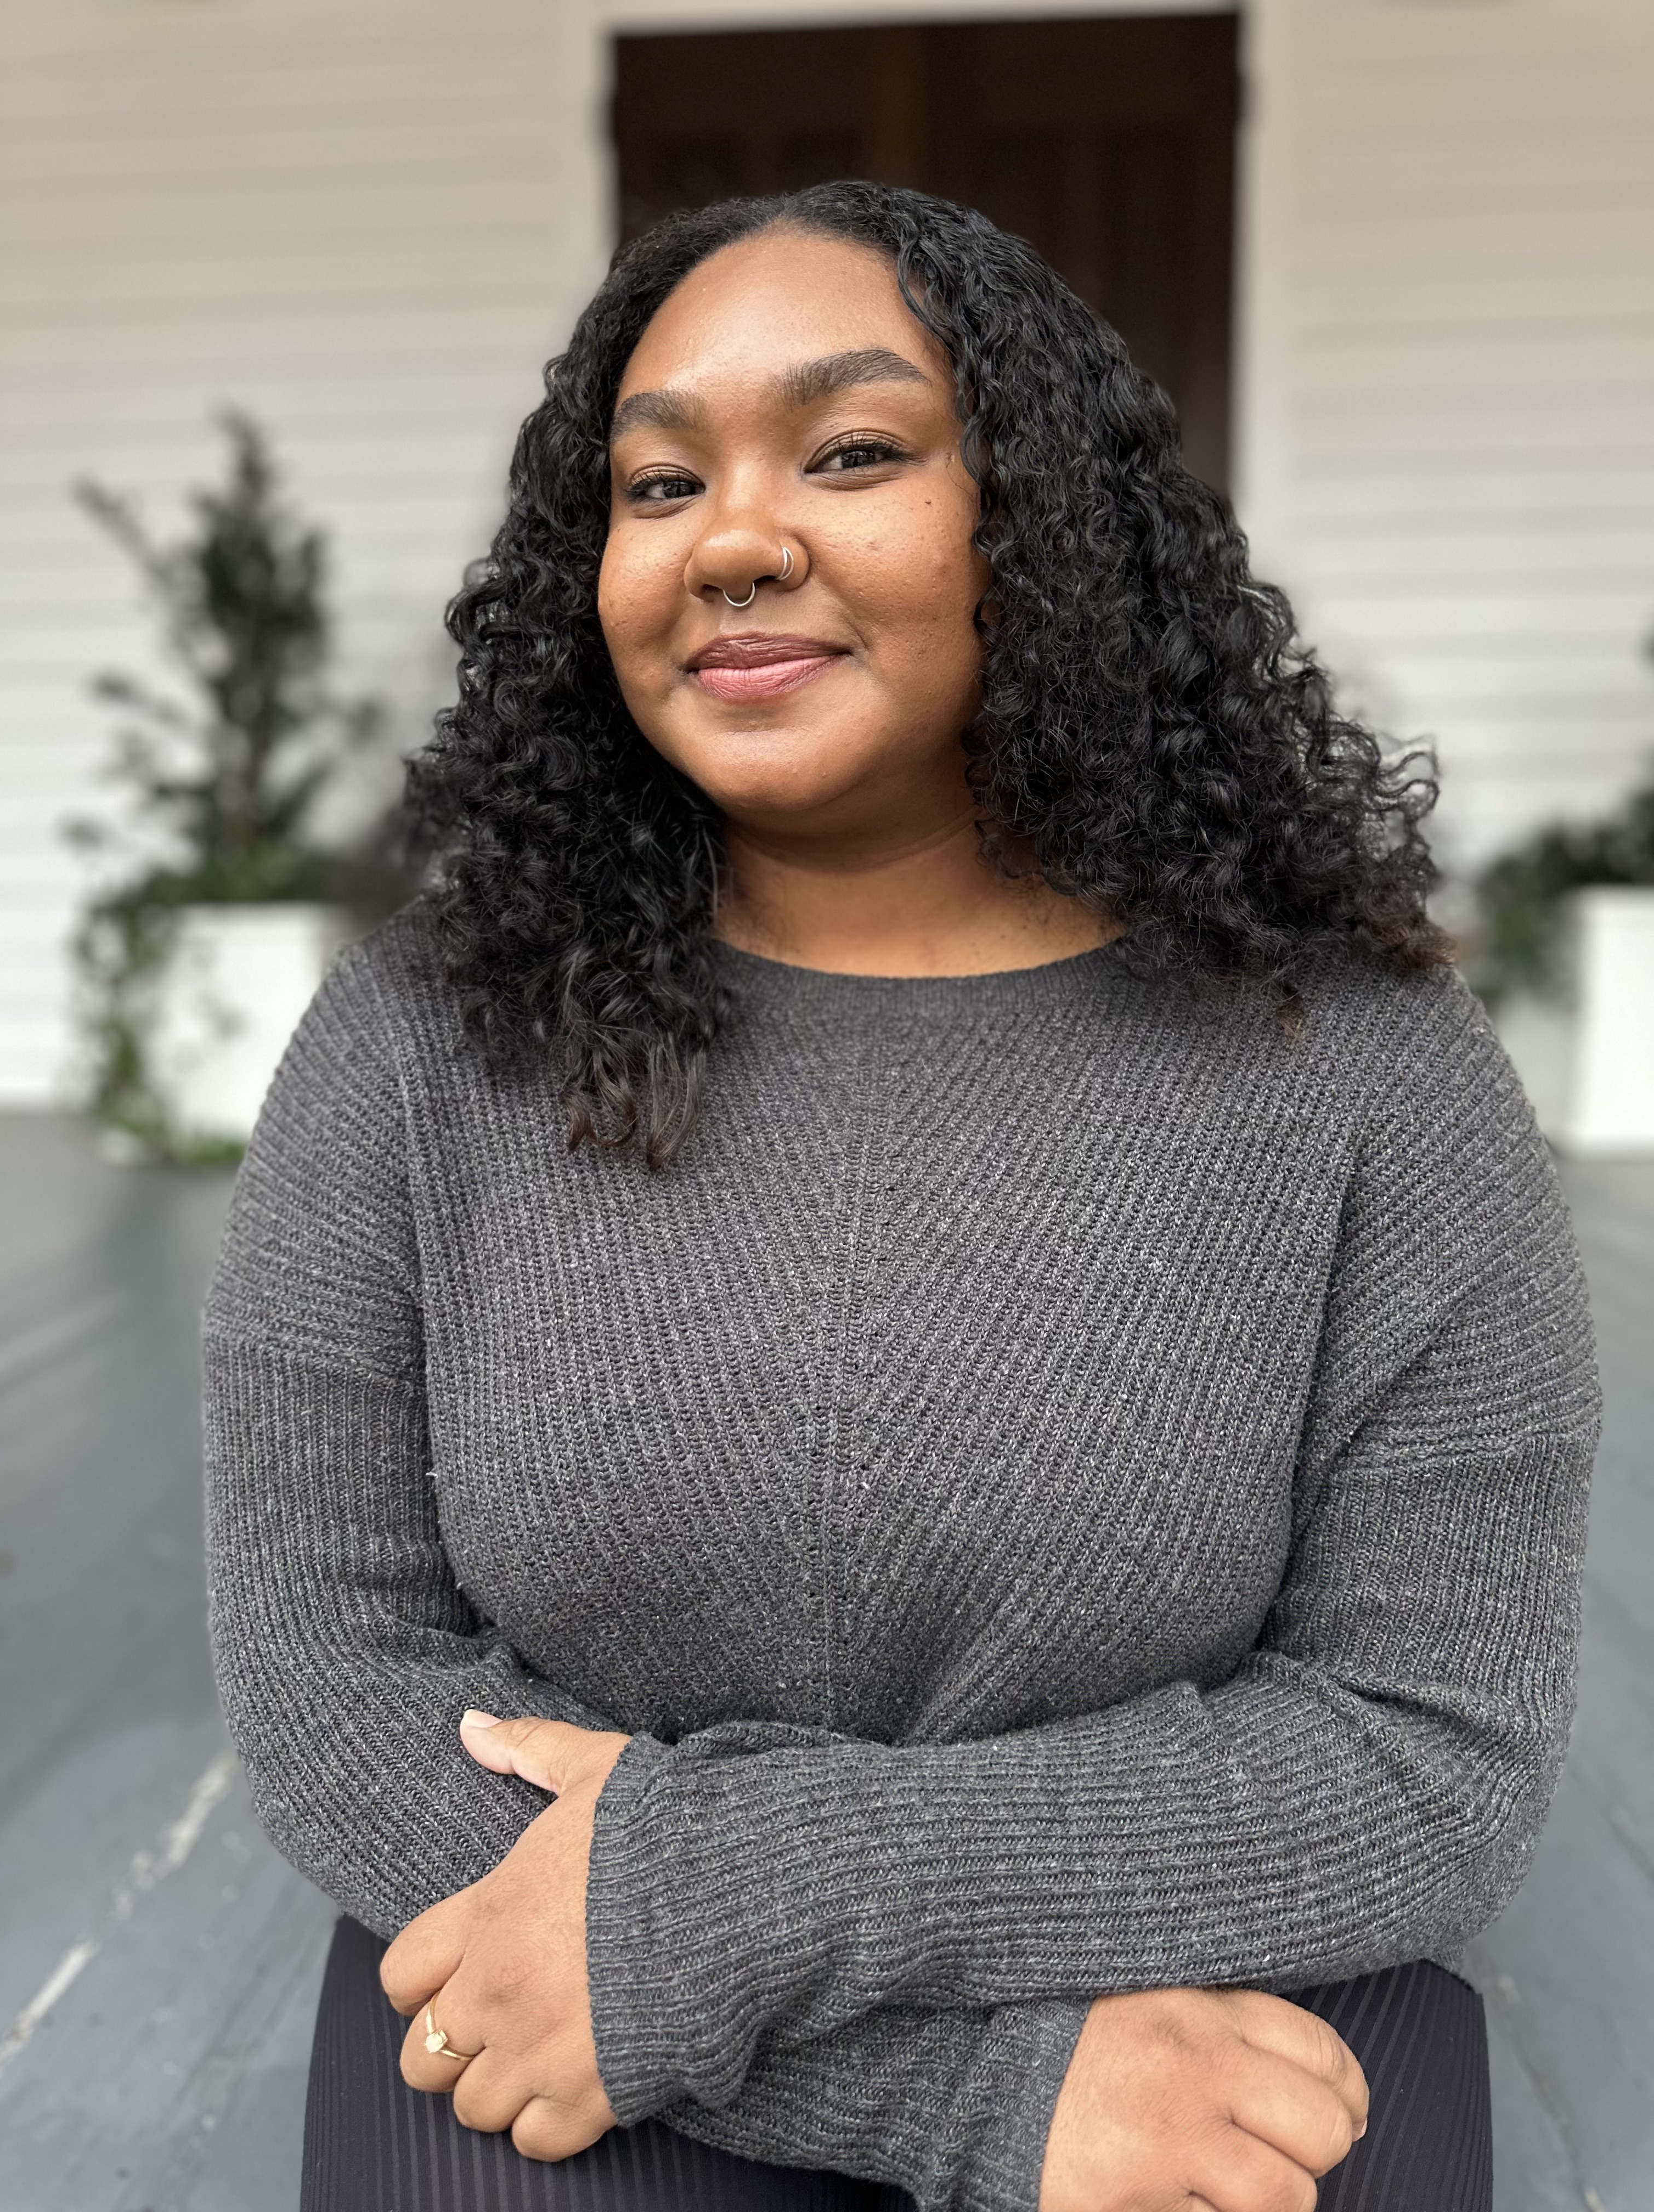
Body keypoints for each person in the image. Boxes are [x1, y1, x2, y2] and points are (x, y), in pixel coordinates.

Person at [202, 183, 1599, 2212]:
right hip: (538, 1973)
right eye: (660, 480)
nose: (737, 538)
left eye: (854, 451)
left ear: (1041, 527)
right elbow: (338, 1682)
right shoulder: (423, 1046)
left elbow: (1425, 1746)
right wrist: (970, 2103)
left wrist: (743, 1882)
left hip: (1202, 2005)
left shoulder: (1366, 1070)